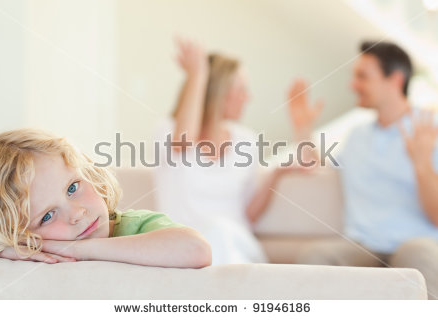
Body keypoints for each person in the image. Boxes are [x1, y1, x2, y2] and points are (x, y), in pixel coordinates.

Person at [288, 41, 438, 299]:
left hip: (414, 242)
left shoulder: (429, 129)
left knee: (421, 255)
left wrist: (422, 164)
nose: (352, 85)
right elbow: (317, 166)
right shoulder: (357, 136)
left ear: (395, 79)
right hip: (362, 246)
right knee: (314, 256)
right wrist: (303, 129)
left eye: (362, 77)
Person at [154, 38, 298, 265]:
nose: (247, 97)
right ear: (218, 93)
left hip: (236, 246)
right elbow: (184, 140)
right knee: (211, 236)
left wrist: (276, 174)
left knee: (220, 232)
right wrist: (198, 73)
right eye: (241, 89)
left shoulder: (247, 141)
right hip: (182, 249)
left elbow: (248, 216)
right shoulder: (169, 131)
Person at [0, 128, 211, 268]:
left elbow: (196, 250)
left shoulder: (137, 225)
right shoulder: (34, 250)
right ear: (23, 236)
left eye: (73, 187)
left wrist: (80, 250)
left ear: (91, 175)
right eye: (47, 216)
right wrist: (4, 245)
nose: (77, 213)